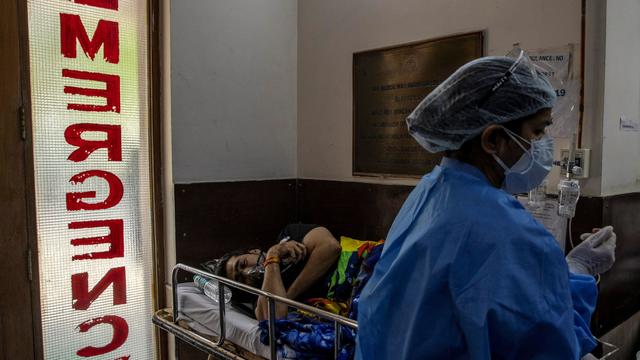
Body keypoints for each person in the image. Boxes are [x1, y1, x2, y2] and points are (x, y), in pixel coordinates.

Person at [355, 52, 617, 360]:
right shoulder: (504, 229)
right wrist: (580, 270)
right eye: (538, 130)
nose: (545, 143)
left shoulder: (431, 190)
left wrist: (563, 273)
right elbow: (549, 345)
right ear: (492, 139)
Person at [207, 223, 341, 320]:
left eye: (243, 264)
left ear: (254, 251)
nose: (247, 272)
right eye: (241, 279)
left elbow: (330, 247)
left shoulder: (289, 236)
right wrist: (272, 257)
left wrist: (286, 298)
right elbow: (274, 318)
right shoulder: (260, 301)